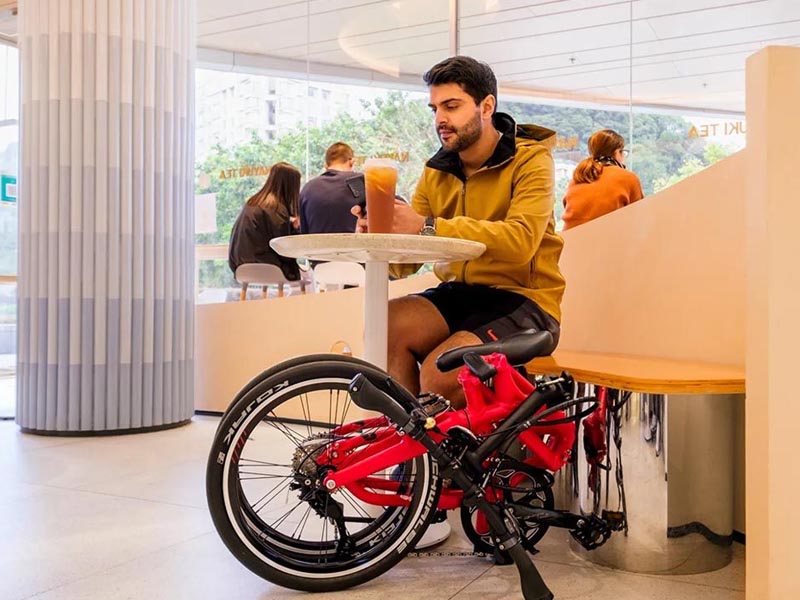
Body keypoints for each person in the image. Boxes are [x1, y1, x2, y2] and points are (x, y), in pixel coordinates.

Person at [353, 56, 565, 409]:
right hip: (462, 294)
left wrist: (427, 227)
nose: (440, 119)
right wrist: (377, 236)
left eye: (451, 106)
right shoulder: (436, 170)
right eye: (434, 108)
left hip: (524, 300)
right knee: (385, 325)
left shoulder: (531, 160)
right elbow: (402, 267)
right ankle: (415, 460)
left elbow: (521, 242)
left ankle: (446, 459)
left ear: (487, 106)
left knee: (439, 375)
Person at [228, 161, 302, 281]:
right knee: (303, 274)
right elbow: (283, 248)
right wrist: (296, 229)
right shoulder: (276, 207)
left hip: (239, 265)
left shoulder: (254, 201)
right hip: (265, 266)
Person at [561, 129, 644, 230]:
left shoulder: (577, 178)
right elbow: (639, 219)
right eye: (623, 153)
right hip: (608, 241)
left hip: (569, 242)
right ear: (617, 152)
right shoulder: (627, 178)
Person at [299, 142, 362, 234]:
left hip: (317, 247)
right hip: (356, 247)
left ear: (326, 166)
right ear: (352, 162)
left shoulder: (308, 188)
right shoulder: (360, 182)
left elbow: (304, 233)